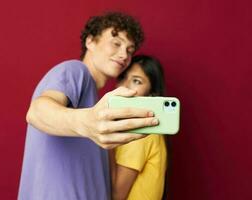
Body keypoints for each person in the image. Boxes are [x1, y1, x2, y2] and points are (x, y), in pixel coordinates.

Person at [18, 12, 160, 200]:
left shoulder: (100, 106)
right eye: (116, 43)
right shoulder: (75, 71)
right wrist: (87, 122)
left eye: (130, 49)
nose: (124, 54)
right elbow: (37, 112)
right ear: (90, 41)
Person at [110, 55, 168, 200]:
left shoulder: (139, 133)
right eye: (123, 77)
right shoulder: (150, 129)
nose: (125, 86)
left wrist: (107, 142)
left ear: (151, 93)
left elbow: (116, 195)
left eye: (137, 81)